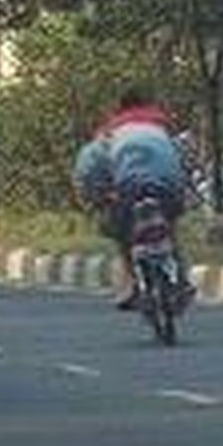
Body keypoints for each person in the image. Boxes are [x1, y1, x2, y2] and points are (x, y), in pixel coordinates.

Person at [76, 89, 195, 310]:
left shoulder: (111, 131)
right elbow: (185, 157)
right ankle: (183, 281)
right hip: (167, 187)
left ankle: (131, 285)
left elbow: (89, 165)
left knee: (122, 234)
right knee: (170, 229)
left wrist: (94, 197)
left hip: (129, 190)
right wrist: (187, 188)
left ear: (119, 109)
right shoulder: (164, 127)